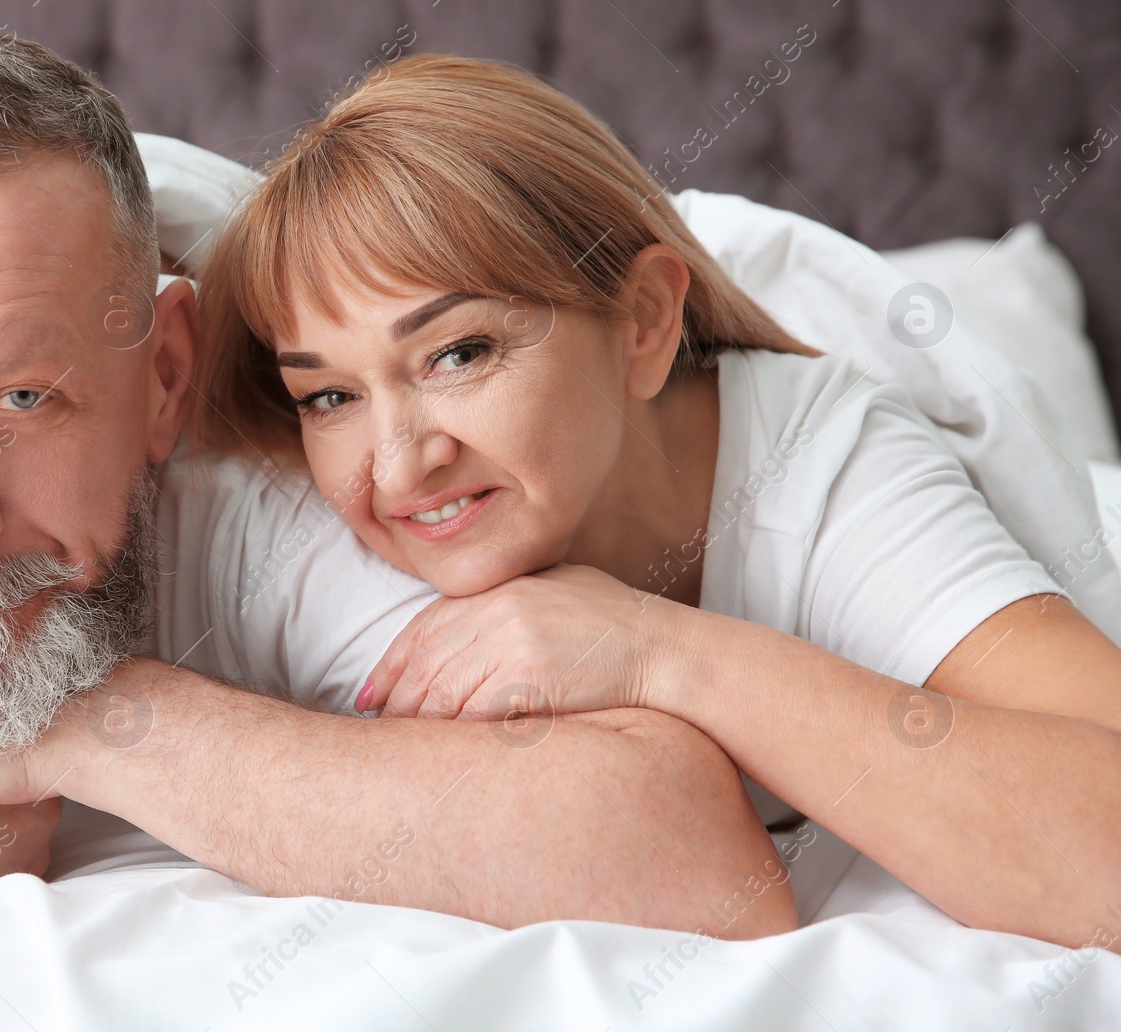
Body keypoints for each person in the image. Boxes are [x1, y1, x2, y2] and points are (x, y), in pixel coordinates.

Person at [0, 28, 790, 946]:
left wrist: (82, 725)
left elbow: (681, 851)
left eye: (23, 398)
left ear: (166, 375)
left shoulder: (277, 483)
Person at [172, 54, 1121, 950]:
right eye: (329, 395)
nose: (399, 469)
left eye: (459, 353)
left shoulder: (822, 466)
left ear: (643, 321)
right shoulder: (295, 520)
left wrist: (661, 652)